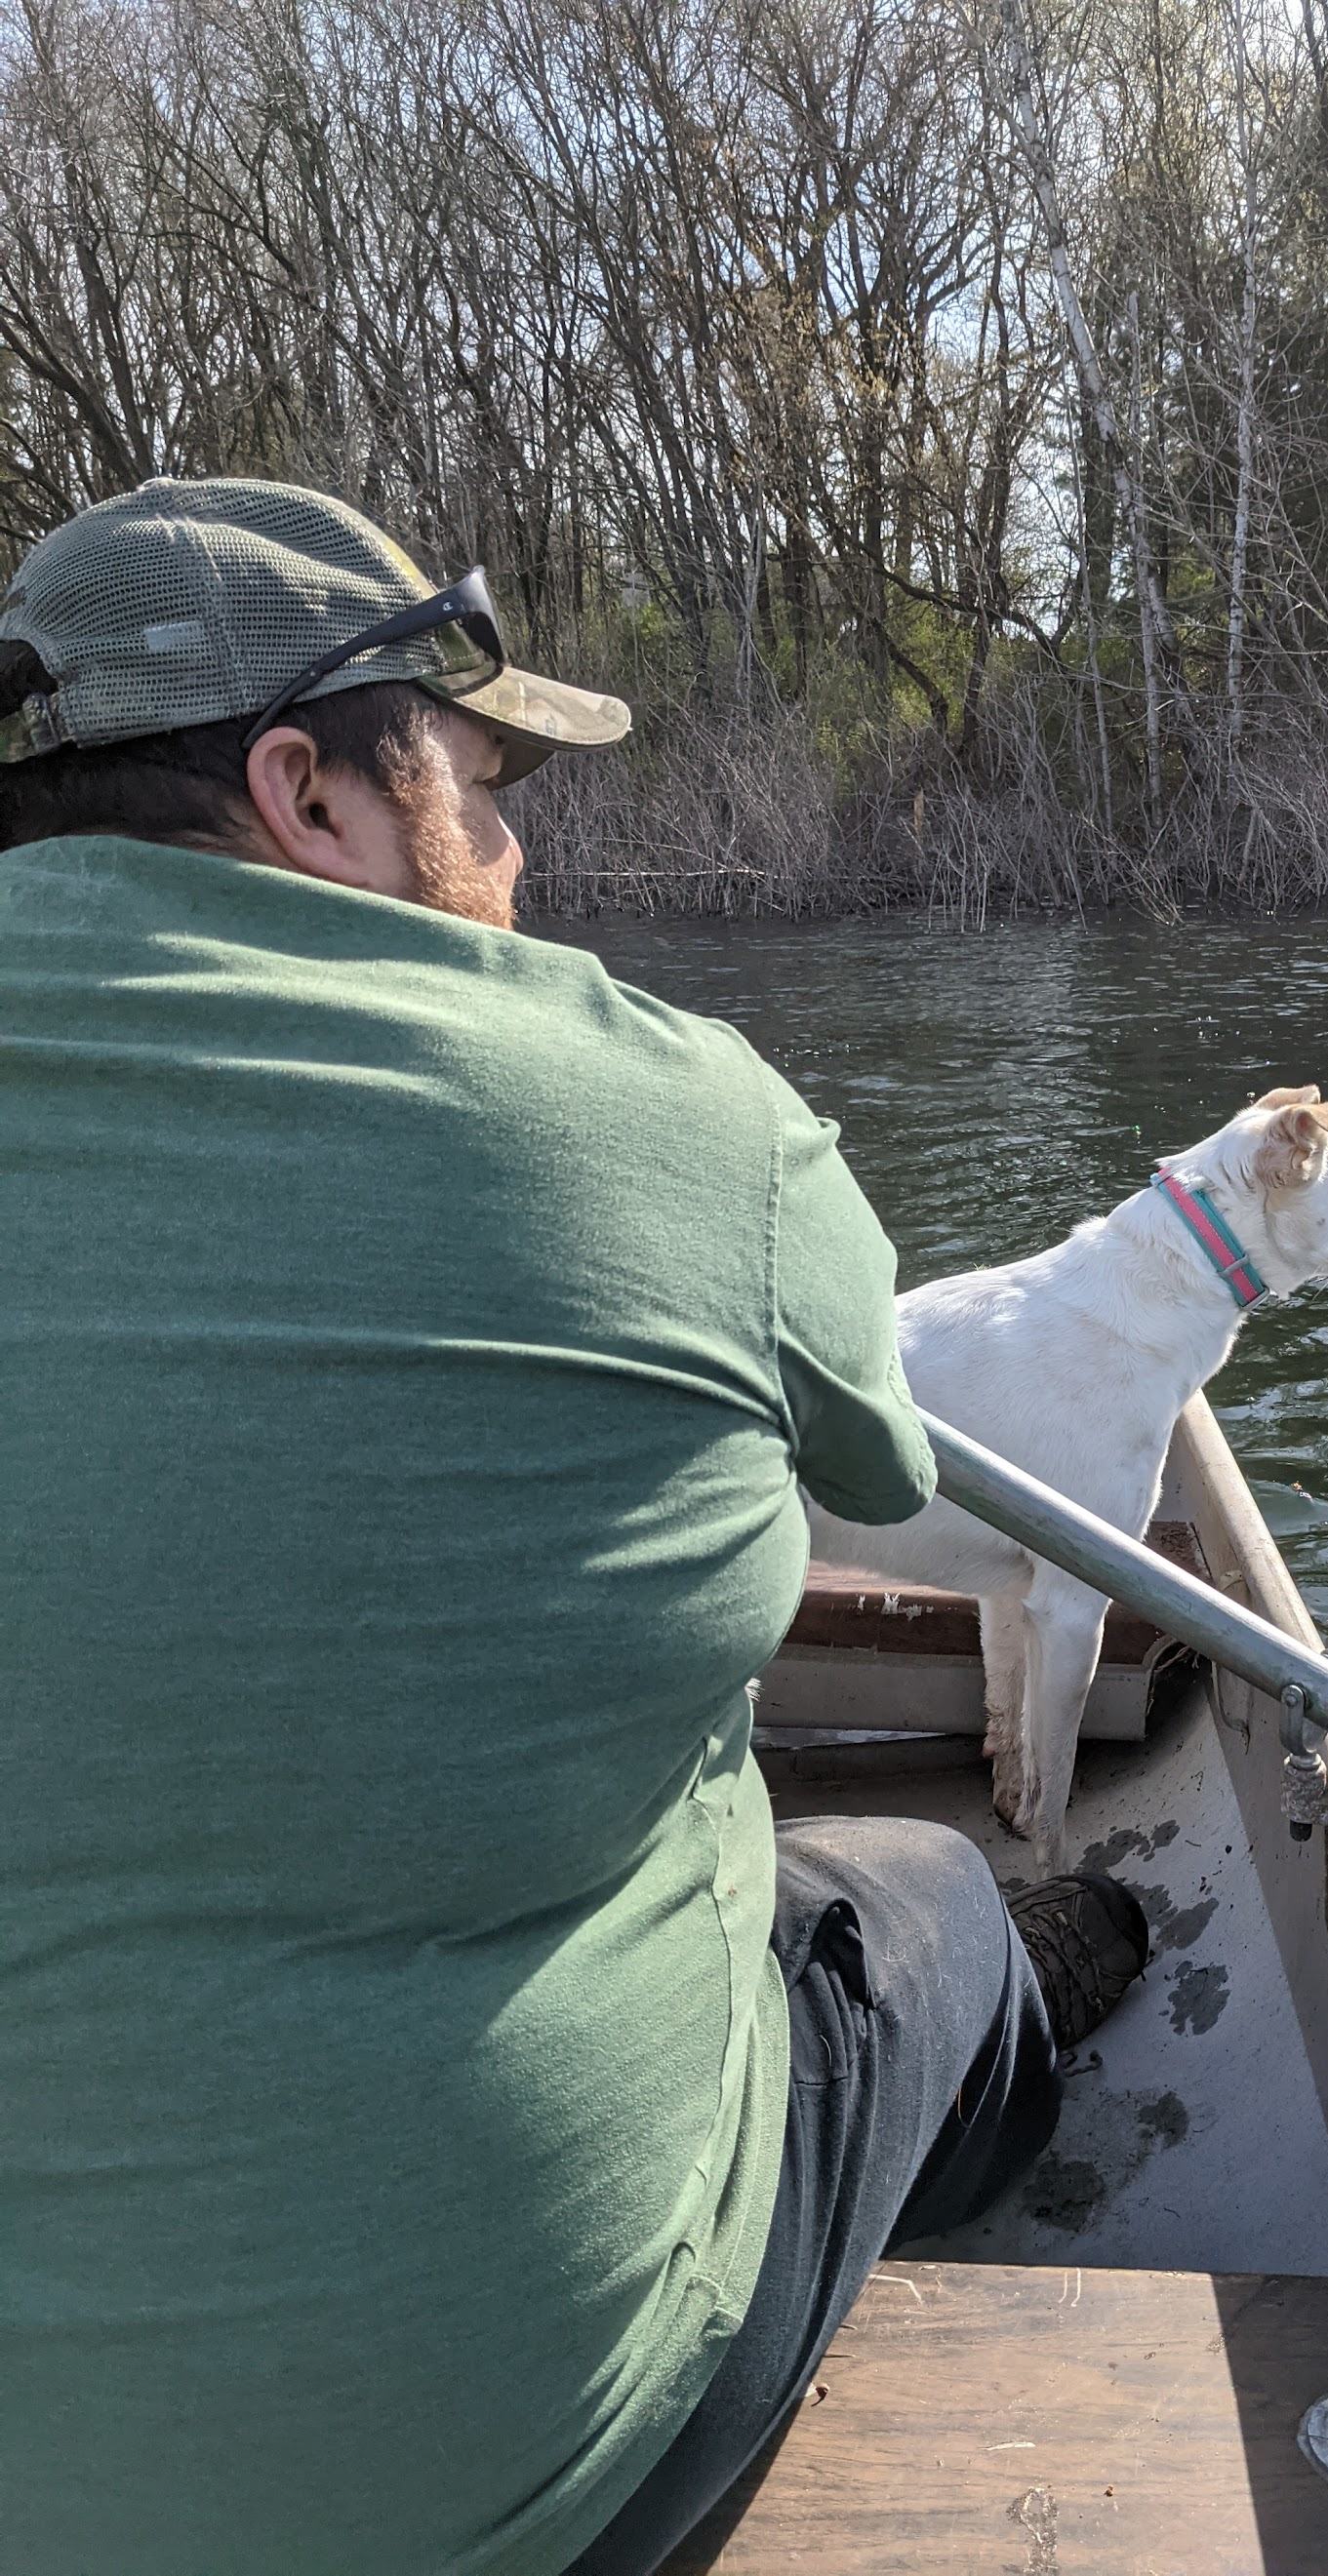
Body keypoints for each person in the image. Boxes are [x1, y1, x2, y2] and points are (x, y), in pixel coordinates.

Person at [0, 478, 1149, 2576]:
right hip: (490, 2469)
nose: (519, 848)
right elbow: (878, 1471)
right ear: (307, 792)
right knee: (928, 1901)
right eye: (479, 780)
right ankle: (1014, 2024)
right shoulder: (675, 1104)